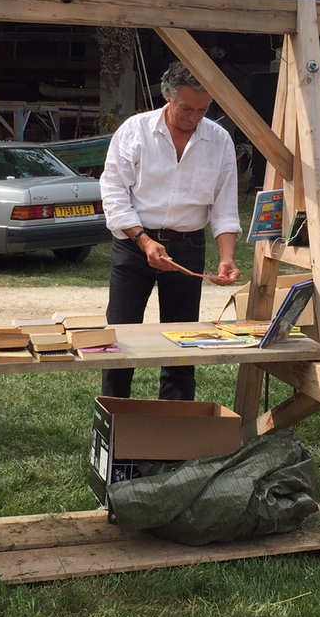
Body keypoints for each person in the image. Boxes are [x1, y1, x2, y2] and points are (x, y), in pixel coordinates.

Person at [99, 62, 242, 401]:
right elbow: (114, 194)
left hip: (187, 247)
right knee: (119, 340)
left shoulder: (218, 140)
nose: (194, 118)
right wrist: (143, 240)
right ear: (167, 95)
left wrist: (227, 257)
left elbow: (224, 207)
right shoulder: (135, 131)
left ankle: (176, 423)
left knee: (183, 345)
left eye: (203, 110)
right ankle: (115, 420)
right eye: (186, 109)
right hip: (134, 245)